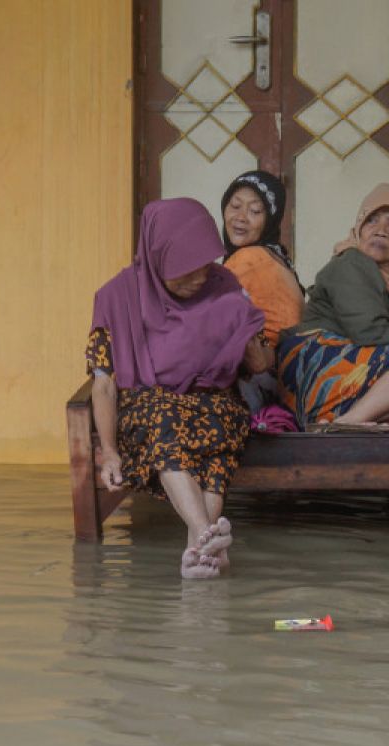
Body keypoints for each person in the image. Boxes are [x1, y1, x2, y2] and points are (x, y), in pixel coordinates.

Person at [87, 198, 269, 578]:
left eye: (203, 266)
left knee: (215, 441)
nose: (198, 278)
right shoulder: (117, 297)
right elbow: (103, 384)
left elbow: (261, 366)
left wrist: (242, 320)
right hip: (148, 405)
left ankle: (196, 556)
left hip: (213, 402)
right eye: (183, 272)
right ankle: (206, 538)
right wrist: (109, 452)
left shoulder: (225, 287)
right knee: (166, 423)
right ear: (156, 260)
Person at [277, 184, 389, 430]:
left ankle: (355, 423)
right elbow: (370, 332)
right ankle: (347, 423)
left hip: (356, 383)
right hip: (317, 374)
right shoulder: (352, 261)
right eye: (372, 221)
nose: (381, 231)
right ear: (359, 228)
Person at [218, 170, 305, 413]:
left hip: (264, 377)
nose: (241, 217)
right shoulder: (275, 255)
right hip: (287, 377)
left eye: (255, 211)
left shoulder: (248, 258)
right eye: (235, 206)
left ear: (271, 219)